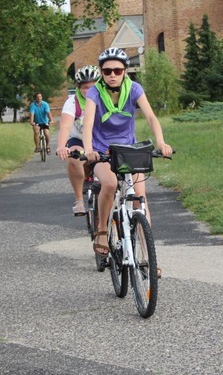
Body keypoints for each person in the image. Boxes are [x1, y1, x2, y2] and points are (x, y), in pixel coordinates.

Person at [82, 48, 172, 270]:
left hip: (129, 150)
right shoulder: (95, 93)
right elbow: (88, 123)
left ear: (125, 71)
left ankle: (147, 259)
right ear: (101, 73)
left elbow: (151, 116)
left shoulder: (134, 89)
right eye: (107, 70)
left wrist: (161, 142)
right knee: (110, 183)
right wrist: (88, 149)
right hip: (103, 150)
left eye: (118, 70)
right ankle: (102, 230)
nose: (112, 74)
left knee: (139, 199)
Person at [56, 65, 101, 216]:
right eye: (85, 87)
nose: (89, 91)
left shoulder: (106, 99)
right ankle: (79, 201)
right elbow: (65, 125)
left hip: (100, 139)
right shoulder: (72, 103)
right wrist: (62, 146)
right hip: (79, 139)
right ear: (78, 88)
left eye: (93, 86)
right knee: (74, 158)